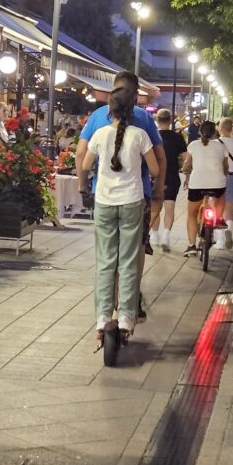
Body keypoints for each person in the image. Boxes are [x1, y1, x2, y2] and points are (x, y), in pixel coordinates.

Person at [81, 88, 159, 339]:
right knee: (128, 262)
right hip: (132, 202)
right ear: (133, 108)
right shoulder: (140, 135)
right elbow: (155, 169)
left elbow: (84, 163)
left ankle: (102, 319)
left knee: (105, 262)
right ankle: (126, 318)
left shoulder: (100, 133)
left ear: (110, 110)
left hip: (104, 202)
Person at [77, 72, 166, 261]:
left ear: (112, 92)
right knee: (136, 248)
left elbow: (80, 154)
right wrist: (158, 187)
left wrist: (82, 184)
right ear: (135, 95)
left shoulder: (96, 117)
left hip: (103, 195)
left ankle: (110, 290)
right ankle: (132, 290)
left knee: (107, 251)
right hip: (138, 194)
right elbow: (160, 157)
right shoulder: (145, 119)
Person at [183, 121, 228, 257]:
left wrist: (185, 171)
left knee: (192, 214)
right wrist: (223, 174)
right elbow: (225, 167)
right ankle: (219, 218)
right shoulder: (221, 146)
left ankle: (191, 246)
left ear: (199, 132)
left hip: (197, 184)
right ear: (215, 132)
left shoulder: (193, 145)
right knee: (221, 194)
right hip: (217, 184)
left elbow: (187, 165)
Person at [151, 108, 187, 252]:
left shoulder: (152, 136)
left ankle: (154, 235)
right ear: (170, 120)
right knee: (169, 207)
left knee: (155, 208)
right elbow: (185, 159)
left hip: (155, 176)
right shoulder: (177, 137)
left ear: (157, 120)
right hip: (172, 175)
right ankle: (166, 235)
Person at [216, 117, 233, 249]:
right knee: (228, 207)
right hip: (231, 177)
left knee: (216, 208)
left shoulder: (214, 143)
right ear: (231, 128)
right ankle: (229, 229)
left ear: (220, 128)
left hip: (216, 178)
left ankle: (220, 240)